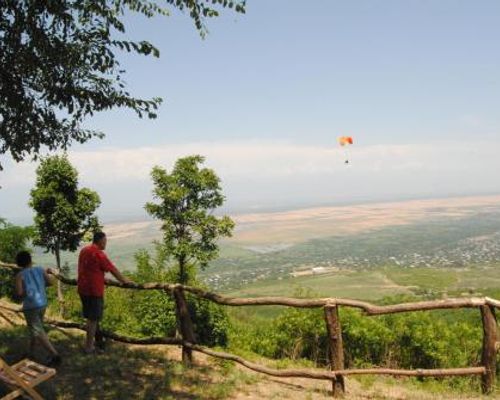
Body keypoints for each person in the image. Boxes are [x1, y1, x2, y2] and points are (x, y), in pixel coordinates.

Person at [77, 231, 133, 354]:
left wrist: (101, 278)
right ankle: (89, 347)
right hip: (93, 291)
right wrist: (125, 281)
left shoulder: (84, 250)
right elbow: (112, 269)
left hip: (83, 288)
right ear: (100, 241)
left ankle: (94, 343)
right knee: (93, 319)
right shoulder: (99, 254)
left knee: (91, 318)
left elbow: (89, 269)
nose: (106, 243)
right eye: (105, 241)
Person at [15, 251, 61, 366]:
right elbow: (50, 282)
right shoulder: (40, 270)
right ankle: (31, 353)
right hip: (42, 303)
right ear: (30, 260)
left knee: (38, 330)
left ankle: (55, 355)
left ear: (19, 263)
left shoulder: (20, 275)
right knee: (35, 330)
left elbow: (20, 293)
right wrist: (39, 285)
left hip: (30, 306)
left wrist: (28, 289)